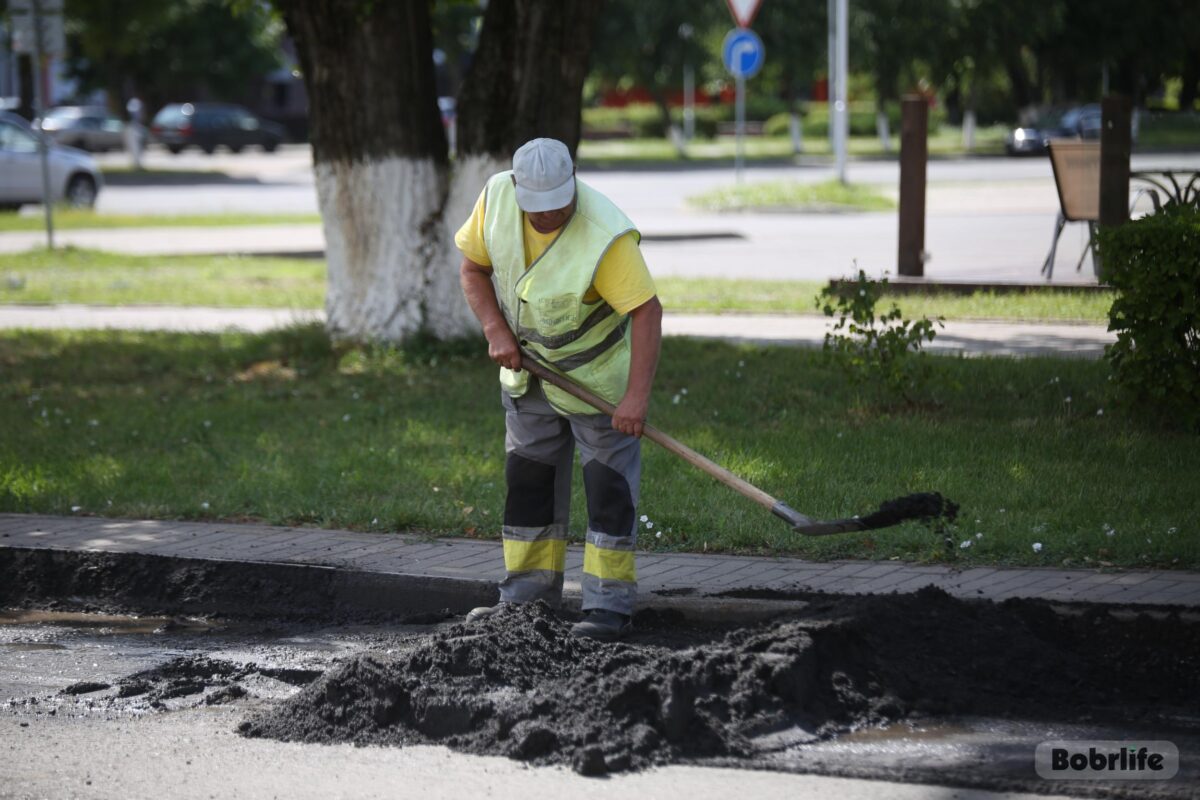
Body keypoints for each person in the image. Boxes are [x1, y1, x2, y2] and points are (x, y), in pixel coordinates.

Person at [455, 137, 662, 640]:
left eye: (559, 206)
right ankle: (525, 600)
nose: (549, 216)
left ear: (573, 185)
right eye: (538, 209)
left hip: (598, 386)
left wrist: (635, 398)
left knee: (607, 490)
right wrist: (496, 331)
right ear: (517, 189)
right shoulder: (496, 200)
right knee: (528, 485)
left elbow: (647, 311)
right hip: (530, 379)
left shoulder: (605, 235)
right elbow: (473, 270)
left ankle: (607, 609)